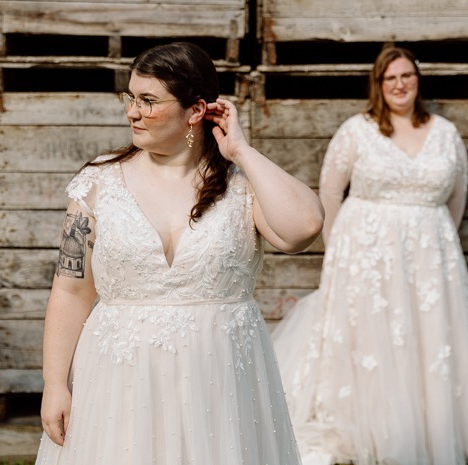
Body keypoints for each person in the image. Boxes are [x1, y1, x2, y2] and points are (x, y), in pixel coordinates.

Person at [35, 41, 324, 465]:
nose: (132, 111)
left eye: (148, 101)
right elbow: (71, 289)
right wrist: (55, 383)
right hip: (120, 378)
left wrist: (242, 150)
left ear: (196, 110)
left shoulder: (241, 185)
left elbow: (304, 228)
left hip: (219, 381)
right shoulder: (98, 183)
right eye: (130, 97)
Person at [271, 46, 468, 465]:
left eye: (407, 76)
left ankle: (430, 430)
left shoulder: (445, 132)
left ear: (417, 81)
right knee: (372, 339)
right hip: (365, 256)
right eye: (391, 78)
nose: (400, 84)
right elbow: (330, 193)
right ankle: (369, 430)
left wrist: (432, 240)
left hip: (430, 257)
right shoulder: (356, 130)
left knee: (427, 341)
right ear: (379, 85)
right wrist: (339, 253)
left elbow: (455, 200)